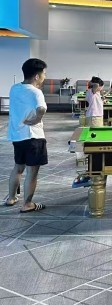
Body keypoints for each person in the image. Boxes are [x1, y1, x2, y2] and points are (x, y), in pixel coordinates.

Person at [6, 58, 48, 212]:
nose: (44, 77)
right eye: (43, 74)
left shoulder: (14, 88)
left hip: (17, 136)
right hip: (33, 136)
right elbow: (41, 108)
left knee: (18, 167)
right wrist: (37, 119)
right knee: (32, 172)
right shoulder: (36, 92)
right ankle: (27, 204)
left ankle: (11, 198)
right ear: (36, 76)